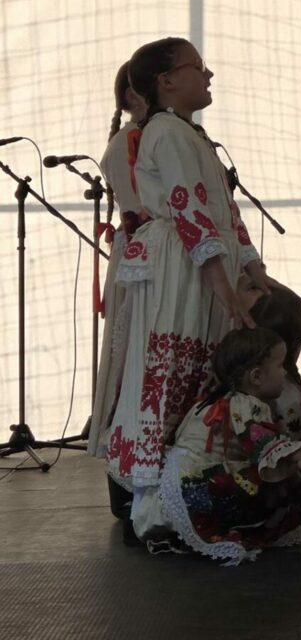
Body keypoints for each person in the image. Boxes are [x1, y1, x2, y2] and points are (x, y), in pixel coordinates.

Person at [104, 37, 266, 534]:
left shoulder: (188, 133)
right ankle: (151, 502)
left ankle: (185, 489)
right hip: (183, 268)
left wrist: (253, 269)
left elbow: (224, 211)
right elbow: (189, 211)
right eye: (198, 67)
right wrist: (224, 286)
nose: (208, 74)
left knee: (195, 371)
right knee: (170, 370)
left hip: (201, 265)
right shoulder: (166, 132)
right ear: (167, 81)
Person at [154, 326, 301, 564]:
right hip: (200, 486)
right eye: (281, 366)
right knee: (277, 481)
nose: (285, 372)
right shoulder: (246, 404)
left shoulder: (213, 399)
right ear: (256, 377)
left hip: (176, 482)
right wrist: (296, 455)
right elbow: (260, 439)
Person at [91, 62, 149, 516]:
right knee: (132, 362)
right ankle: (125, 483)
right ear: (131, 96)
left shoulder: (156, 136)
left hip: (149, 255)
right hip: (141, 261)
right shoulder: (127, 144)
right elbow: (147, 208)